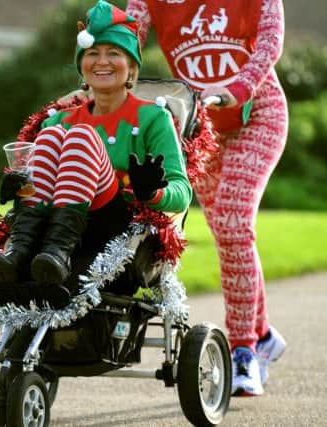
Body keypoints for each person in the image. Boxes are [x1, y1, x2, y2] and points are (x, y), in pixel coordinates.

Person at [0, 0, 192, 311]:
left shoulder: (153, 118)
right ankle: (21, 255)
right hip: (46, 226)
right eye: (93, 53)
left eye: (114, 53)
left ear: (132, 67)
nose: (102, 62)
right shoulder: (58, 120)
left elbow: (182, 193)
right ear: (82, 65)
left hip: (113, 228)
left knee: (79, 135)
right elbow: (39, 177)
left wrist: (153, 191)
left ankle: (58, 253)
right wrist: (20, 186)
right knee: (53, 134)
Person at [126, 0, 287, 396]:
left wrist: (237, 88)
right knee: (230, 236)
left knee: (233, 223)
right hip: (200, 129)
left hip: (257, 114)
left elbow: (269, 43)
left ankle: (244, 350)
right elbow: (128, 33)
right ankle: (262, 332)